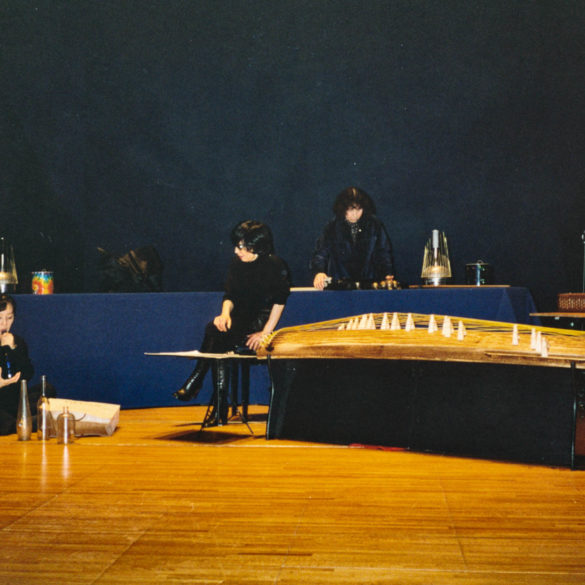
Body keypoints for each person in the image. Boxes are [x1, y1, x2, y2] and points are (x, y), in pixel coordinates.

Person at [173, 220, 290, 425]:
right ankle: (214, 403)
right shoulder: (236, 264)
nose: (236, 251)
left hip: (260, 320)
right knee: (216, 329)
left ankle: (205, 392)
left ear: (256, 246)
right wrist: (224, 314)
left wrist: (265, 332)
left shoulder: (275, 265)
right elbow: (230, 296)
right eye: (237, 246)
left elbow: (279, 303)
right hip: (239, 318)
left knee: (217, 337)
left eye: (242, 247)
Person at [310, 186, 395, 290]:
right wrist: (319, 272)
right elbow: (320, 253)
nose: (355, 214)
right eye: (350, 210)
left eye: (359, 209)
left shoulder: (375, 225)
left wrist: (387, 273)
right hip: (340, 285)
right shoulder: (332, 227)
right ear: (342, 209)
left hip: (369, 283)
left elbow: (383, 252)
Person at [0, 294, 35, 435]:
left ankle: (22, 421)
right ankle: (26, 423)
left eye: (9, 318)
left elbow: (27, 374)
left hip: (14, 400)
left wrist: (12, 348)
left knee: (47, 390)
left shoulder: (17, 341)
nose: (4, 324)